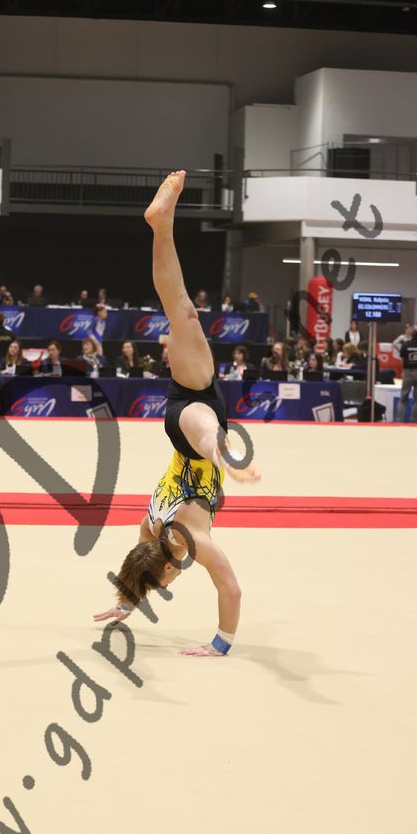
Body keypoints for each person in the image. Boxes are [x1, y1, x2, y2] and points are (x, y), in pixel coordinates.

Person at [93, 171, 260, 657]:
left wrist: (220, 644)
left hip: (195, 427)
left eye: (165, 580)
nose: (170, 581)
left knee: (183, 315)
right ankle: (160, 224)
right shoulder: (151, 529)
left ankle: (161, 223)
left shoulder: (190, 538)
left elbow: (231, 589)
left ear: (168, 566)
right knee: (181, 313)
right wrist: (127, 600)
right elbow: (142, 561)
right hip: (181, 418)